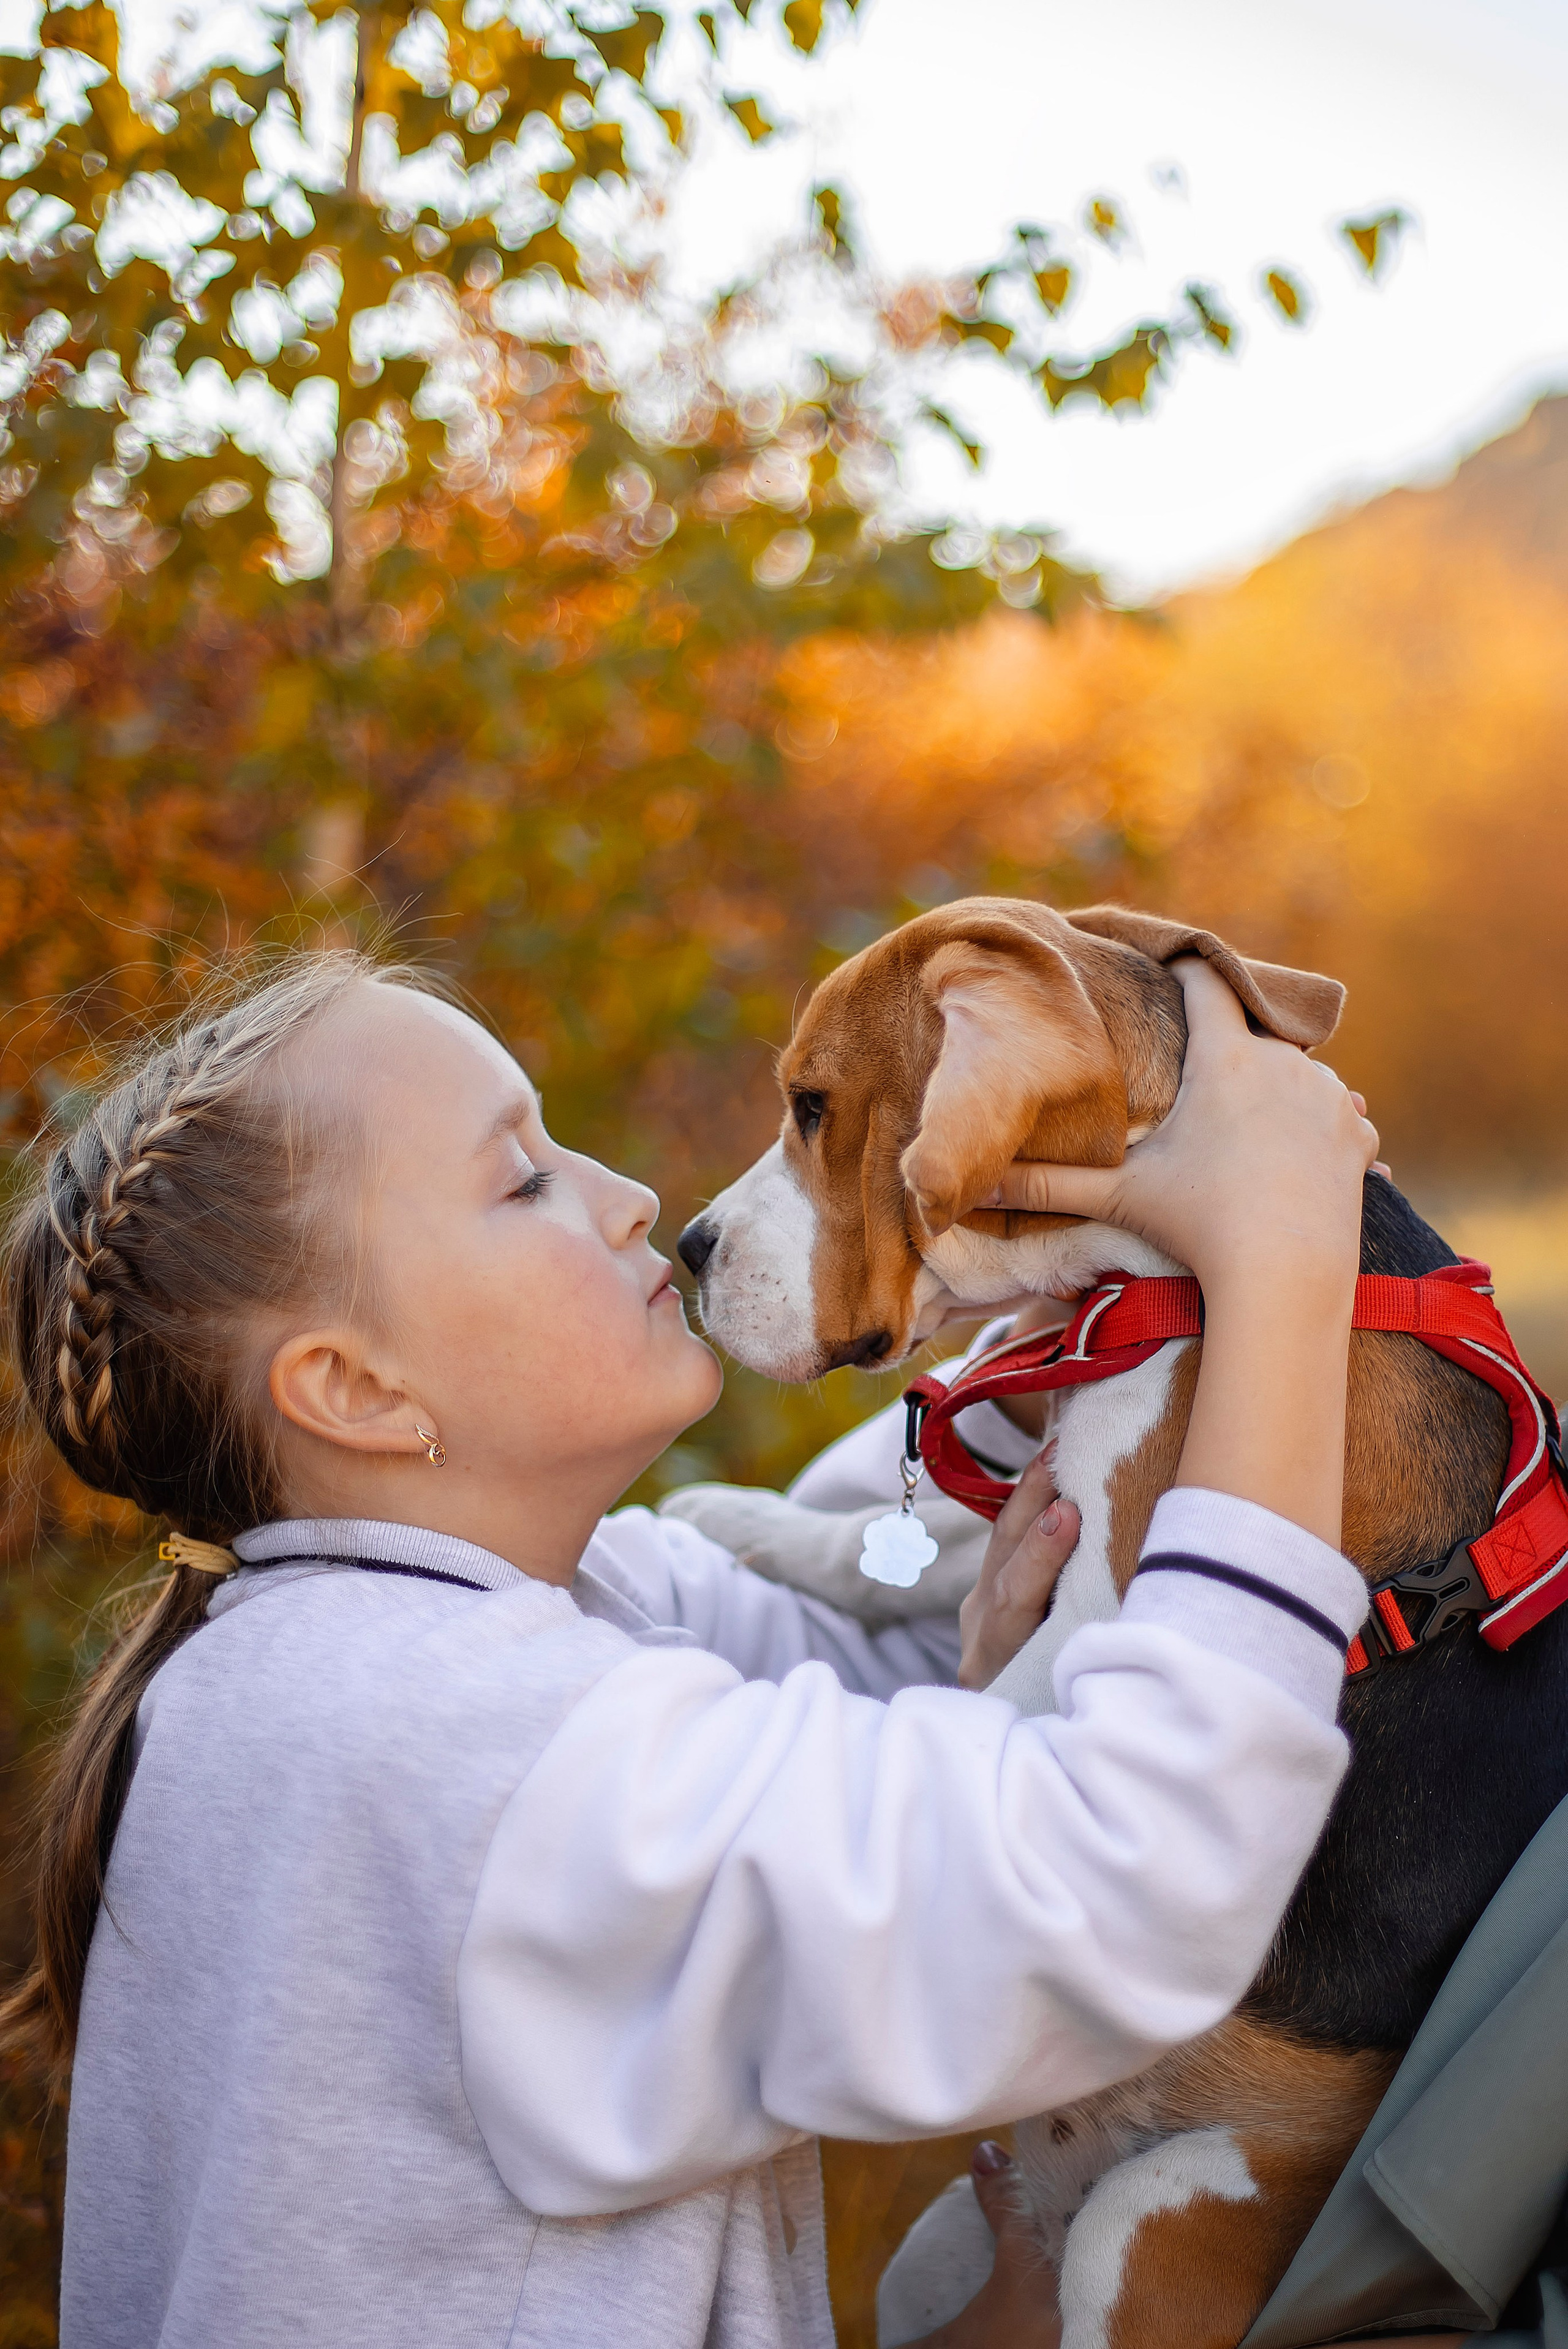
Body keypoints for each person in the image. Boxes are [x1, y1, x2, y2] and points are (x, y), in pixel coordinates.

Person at [0, 948, 1377, 2349]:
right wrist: (1280, 1266)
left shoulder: (397, 1647)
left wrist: (1050, 1265)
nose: (633, 1198)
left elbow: (873, 1602)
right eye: (523, 1178)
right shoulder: (446, 1745)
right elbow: (1131, 1872)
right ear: (355, 1388)